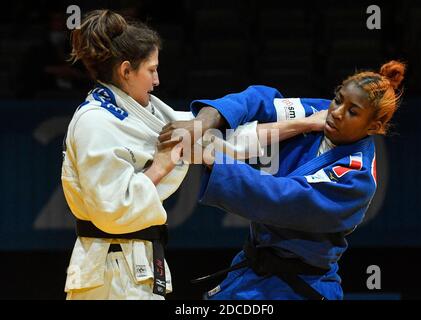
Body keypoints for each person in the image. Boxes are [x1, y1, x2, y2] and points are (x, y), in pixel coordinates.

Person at [61, 9, 320, 300]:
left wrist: (306, 123)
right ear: (125, 71)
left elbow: (229, 142)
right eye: (151, 70)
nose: (157, 80)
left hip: (136, 264)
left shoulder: (149, 111)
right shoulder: (95, 122)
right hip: (109, 272)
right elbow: (111, 213)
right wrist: (160, 166)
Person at [178, 60, 406, 300]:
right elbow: (259, 100)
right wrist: (204, 121)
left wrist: (213, 158)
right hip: (251, 272)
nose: (337, 112)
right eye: (338, 99)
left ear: (374, 126)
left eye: (353, 112)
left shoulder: (356, 178)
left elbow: (282, 197)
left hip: (297, 287)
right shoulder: (317, 114)